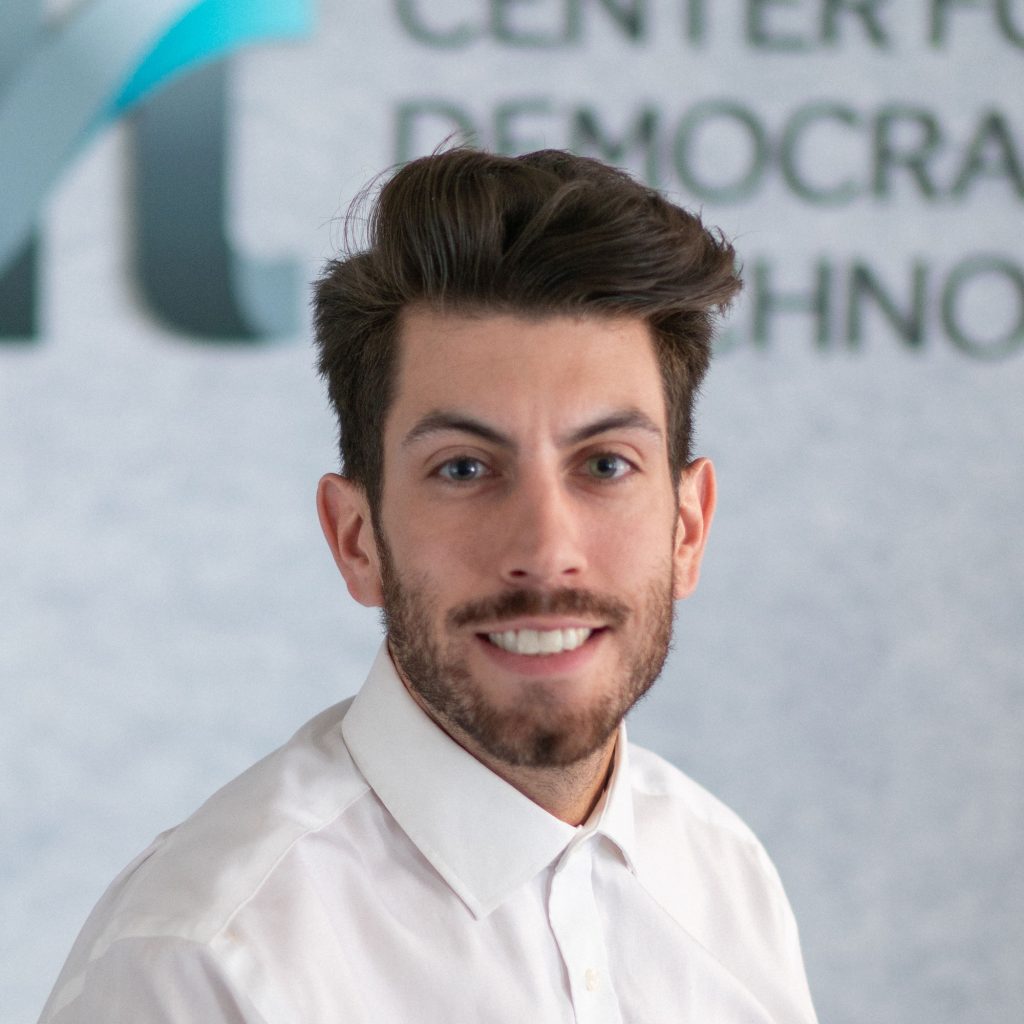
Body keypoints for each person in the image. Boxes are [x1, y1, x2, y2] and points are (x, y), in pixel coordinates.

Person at [40, 148, 818, 1023]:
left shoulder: (725, 875)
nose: (546, 550)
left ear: (688, 527)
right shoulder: (204, 962)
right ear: (357, 539)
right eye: (464, 468)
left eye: (605, 464)